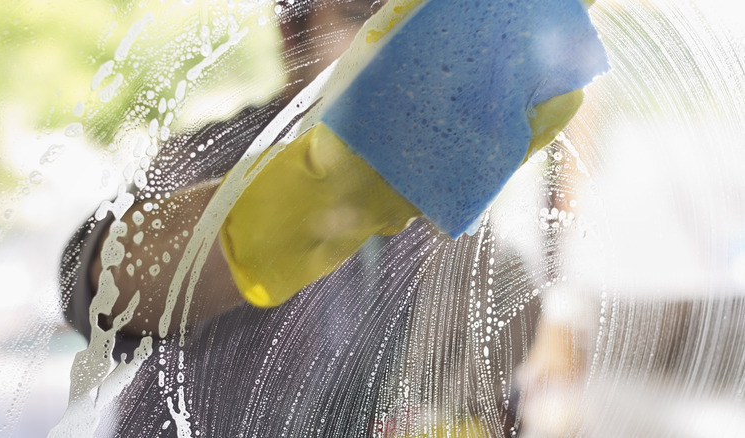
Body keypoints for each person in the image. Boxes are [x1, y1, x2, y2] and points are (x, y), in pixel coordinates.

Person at [59, 0, 608, 435]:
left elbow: (492, 401)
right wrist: (318, 197)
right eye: (357, 14)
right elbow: (99, 281)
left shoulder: (468, 242)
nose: (391, 51)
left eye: (412, 25)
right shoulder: (211, 157)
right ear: (292, 31)